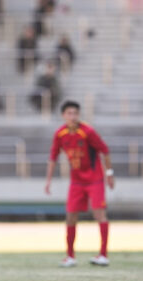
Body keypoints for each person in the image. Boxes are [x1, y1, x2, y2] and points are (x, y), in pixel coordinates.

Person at [45, 101, 114, 268]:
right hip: (76, 182)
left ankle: (103, 255)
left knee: (99, 215)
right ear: (63, 115)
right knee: (70, 217)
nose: (73, 116)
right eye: (69, 113)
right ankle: (70, 256)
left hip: (94, 179)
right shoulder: (60, 134)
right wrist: (48, 181)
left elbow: (104, 150)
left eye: (75, 113)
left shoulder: (88, 131)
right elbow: (53, 157)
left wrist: (109, 173)